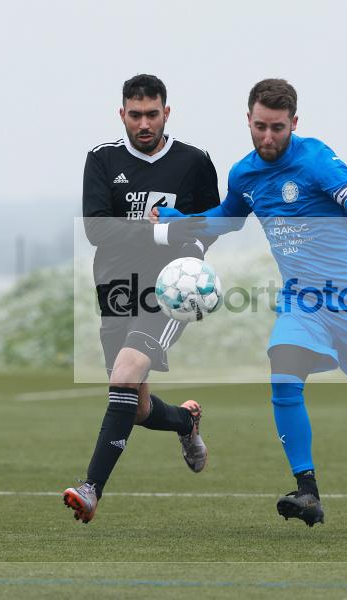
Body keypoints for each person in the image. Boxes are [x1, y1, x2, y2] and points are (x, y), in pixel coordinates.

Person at [154, 79, 347, 526]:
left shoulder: (318, 160)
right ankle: (308, 492)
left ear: (294, 123)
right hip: (303, 299)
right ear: (248, 120)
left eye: (277, 128)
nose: (267, 137)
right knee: (283, 371)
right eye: (260, 126)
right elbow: (227, 219)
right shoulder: (245, 173)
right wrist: (180, 220)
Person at [63, 74, 220, 524]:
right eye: (136, 115)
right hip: (115, 288)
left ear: (167, 113)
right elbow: (96, 228)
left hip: (167, 292)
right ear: (122, 115)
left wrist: (193, 256)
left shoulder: (194, 161)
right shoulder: (102, 159)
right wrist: (160, 230)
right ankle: (185, 422)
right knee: (136, 405)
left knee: (127, 373)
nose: (144, 123)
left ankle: (91, 488)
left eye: (153, 114)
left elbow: (209, 224)